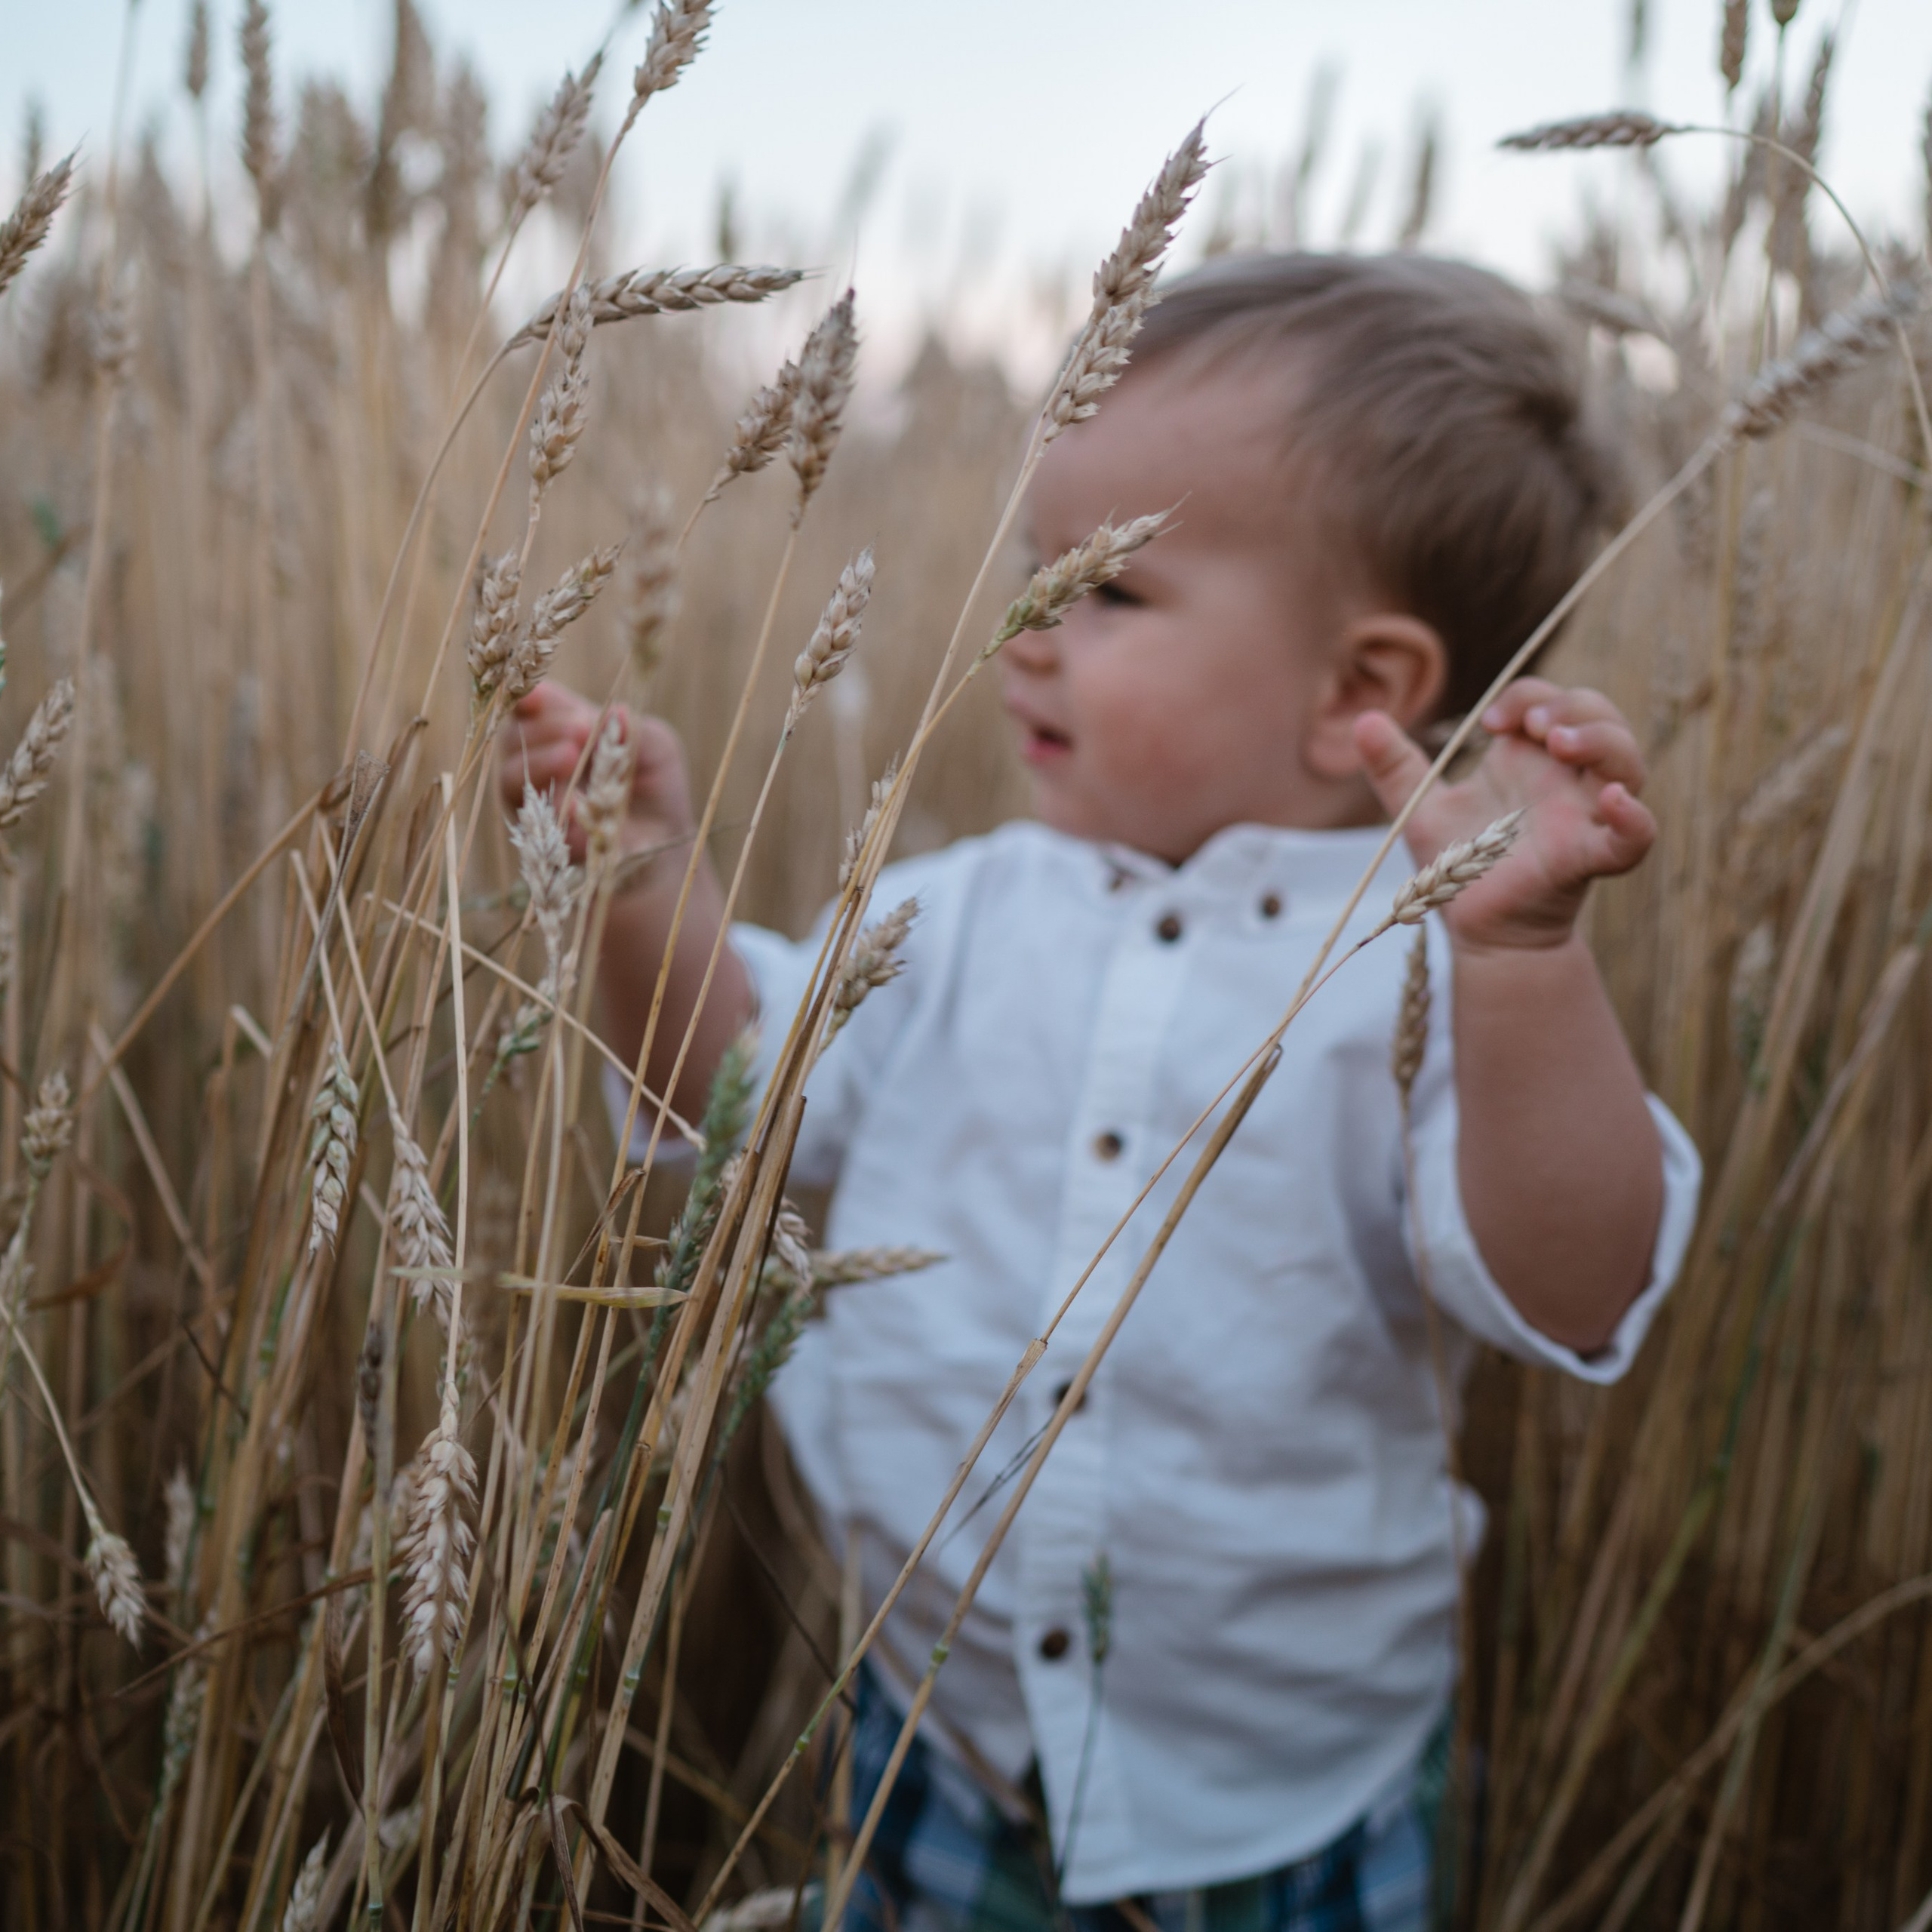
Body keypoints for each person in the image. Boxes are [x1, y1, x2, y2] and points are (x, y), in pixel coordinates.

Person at [498, 252, 1702, 1932]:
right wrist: (643, 885)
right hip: (938, 1734)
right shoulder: (965, 906)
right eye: (1029, 572)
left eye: (1108, 592)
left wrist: (1520, 962)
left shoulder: (1417, 972)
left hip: (1279, 1794)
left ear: (1362, 688)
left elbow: (1570, 1279)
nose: (1026, 637)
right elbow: (735, 1090)